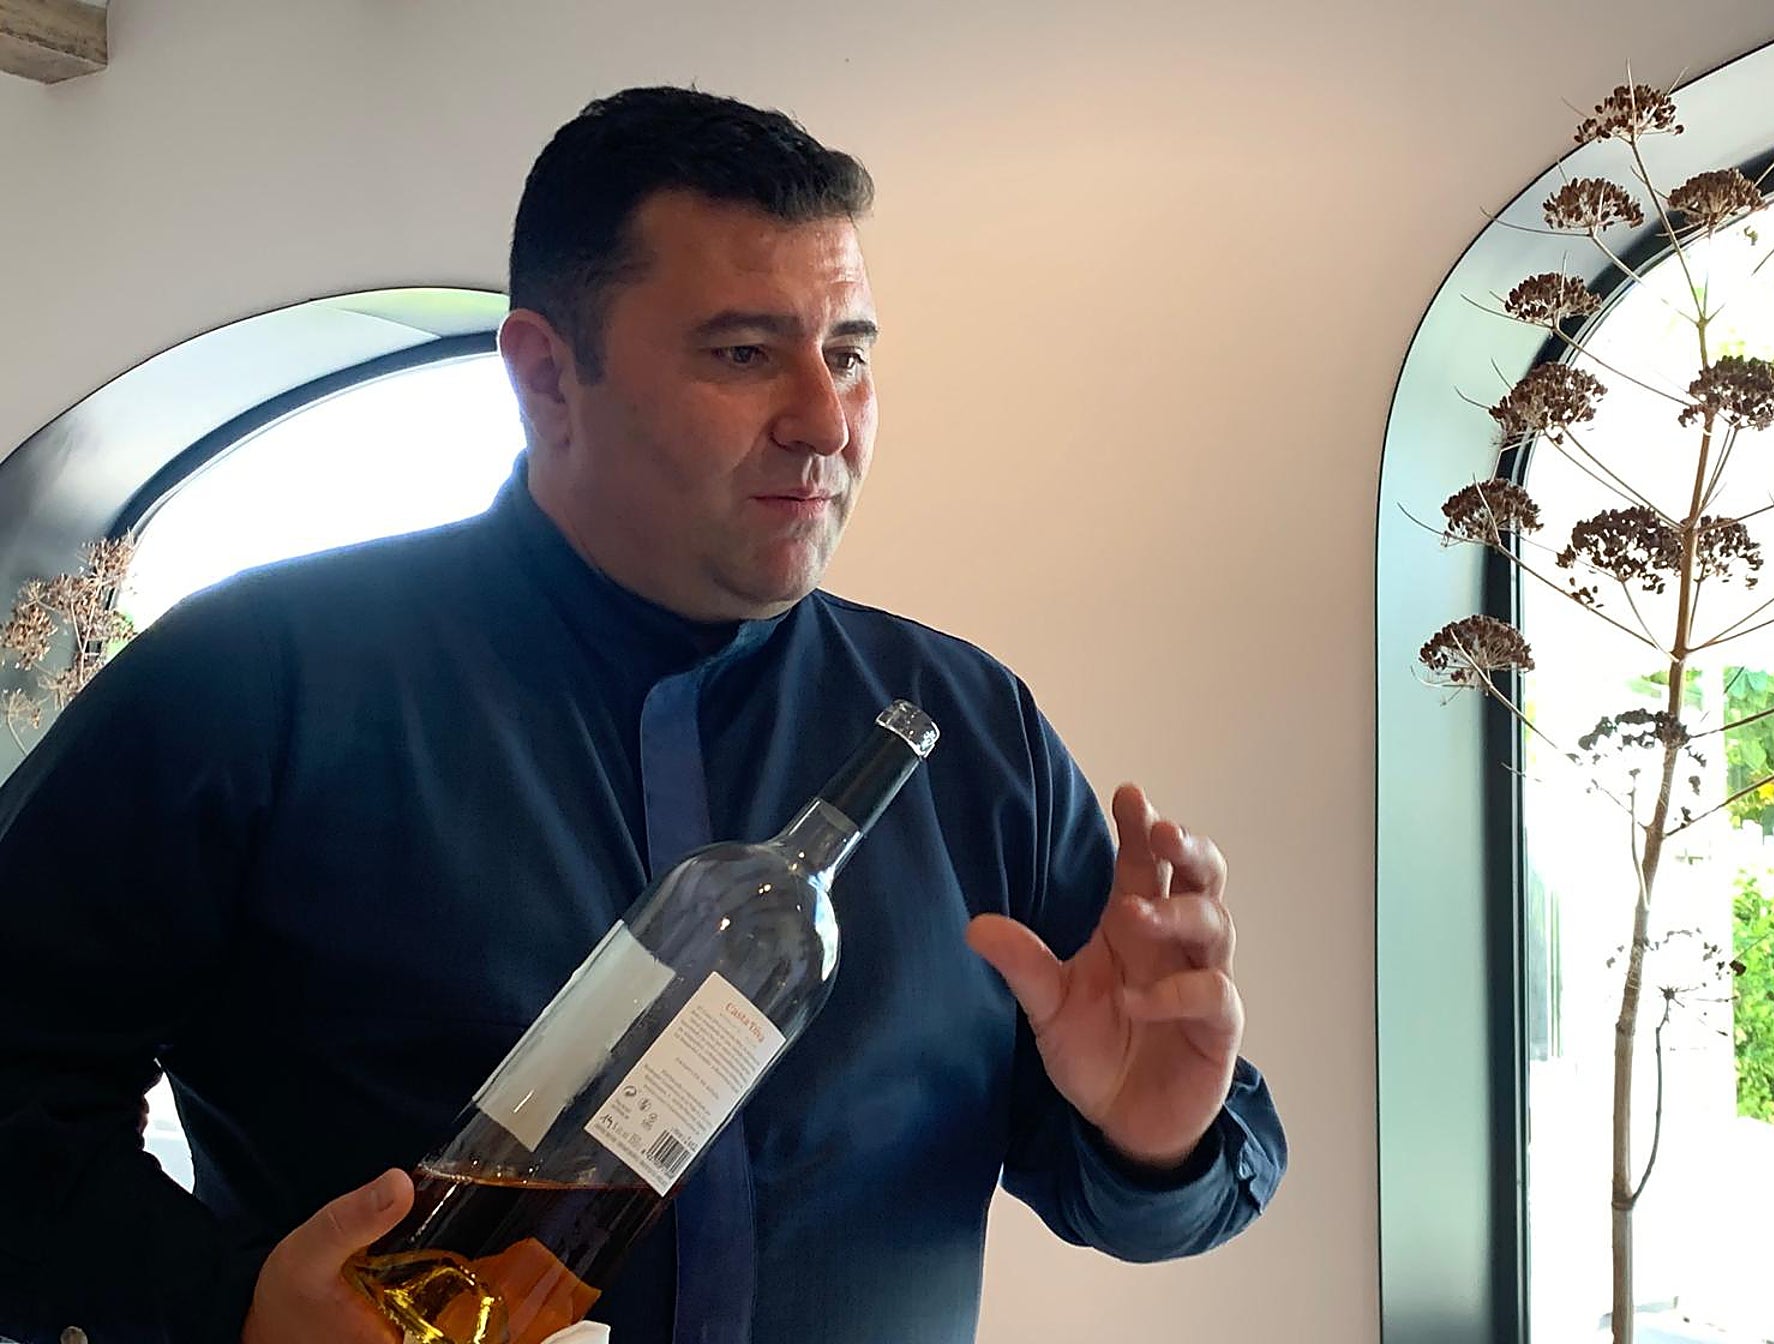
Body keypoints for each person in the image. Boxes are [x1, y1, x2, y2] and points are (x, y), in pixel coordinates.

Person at [0, 86, 1284, 1344]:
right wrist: (229, 1311)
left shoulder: (964, 727)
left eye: (848, 355)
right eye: (743, 354)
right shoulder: (257, 681)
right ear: (547, 375)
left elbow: (1168, 1181)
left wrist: (1152, 1141)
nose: (823, 420)